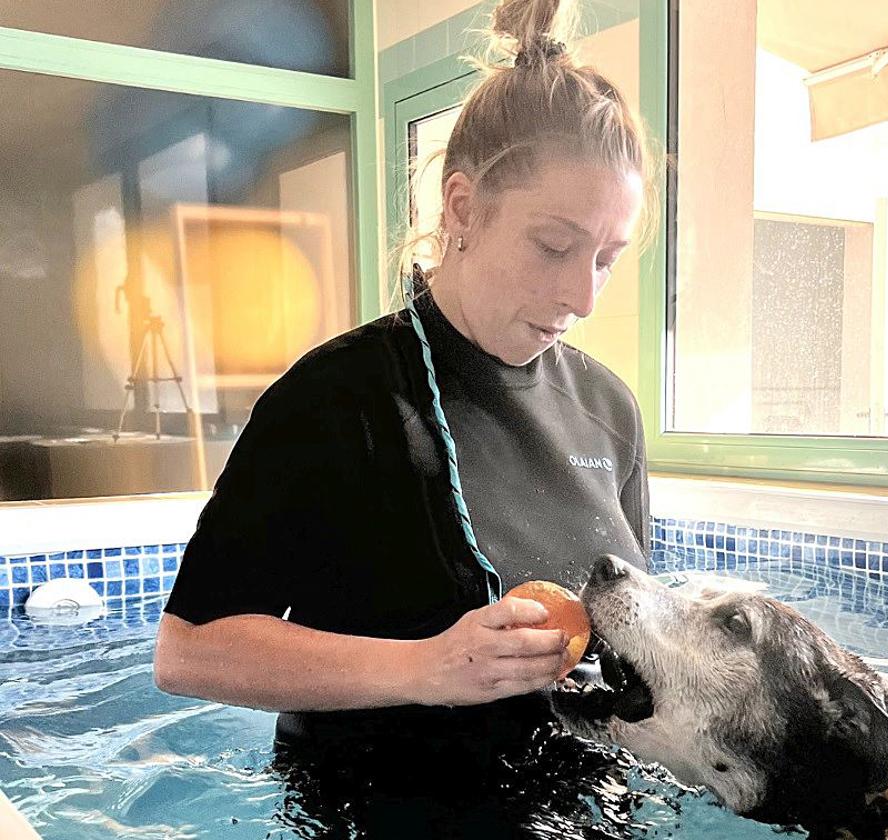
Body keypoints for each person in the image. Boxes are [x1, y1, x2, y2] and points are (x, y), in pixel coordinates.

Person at [153, 0, 657, 835]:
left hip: (578, 810)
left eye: (607, 257)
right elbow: (189, 651)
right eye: (554, 245)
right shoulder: (337, 399)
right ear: (462, 207)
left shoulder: (609, 411)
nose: (584, 296)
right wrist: (427, 667)